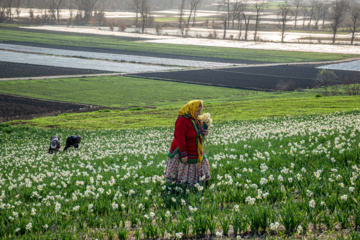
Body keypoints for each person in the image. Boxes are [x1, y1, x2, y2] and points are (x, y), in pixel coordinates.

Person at [164, 100, 211, 185]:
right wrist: (183, 154)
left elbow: (197, 131)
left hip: (195, 149)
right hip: (183, 150)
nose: (199, 113)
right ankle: (181, 186)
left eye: (200, 111)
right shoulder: (182, 120)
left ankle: (198, 184)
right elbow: (180, 138)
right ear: (191, 109)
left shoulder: (195, 119)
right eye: (198, 111)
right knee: (184, 169)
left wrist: (204, 132)